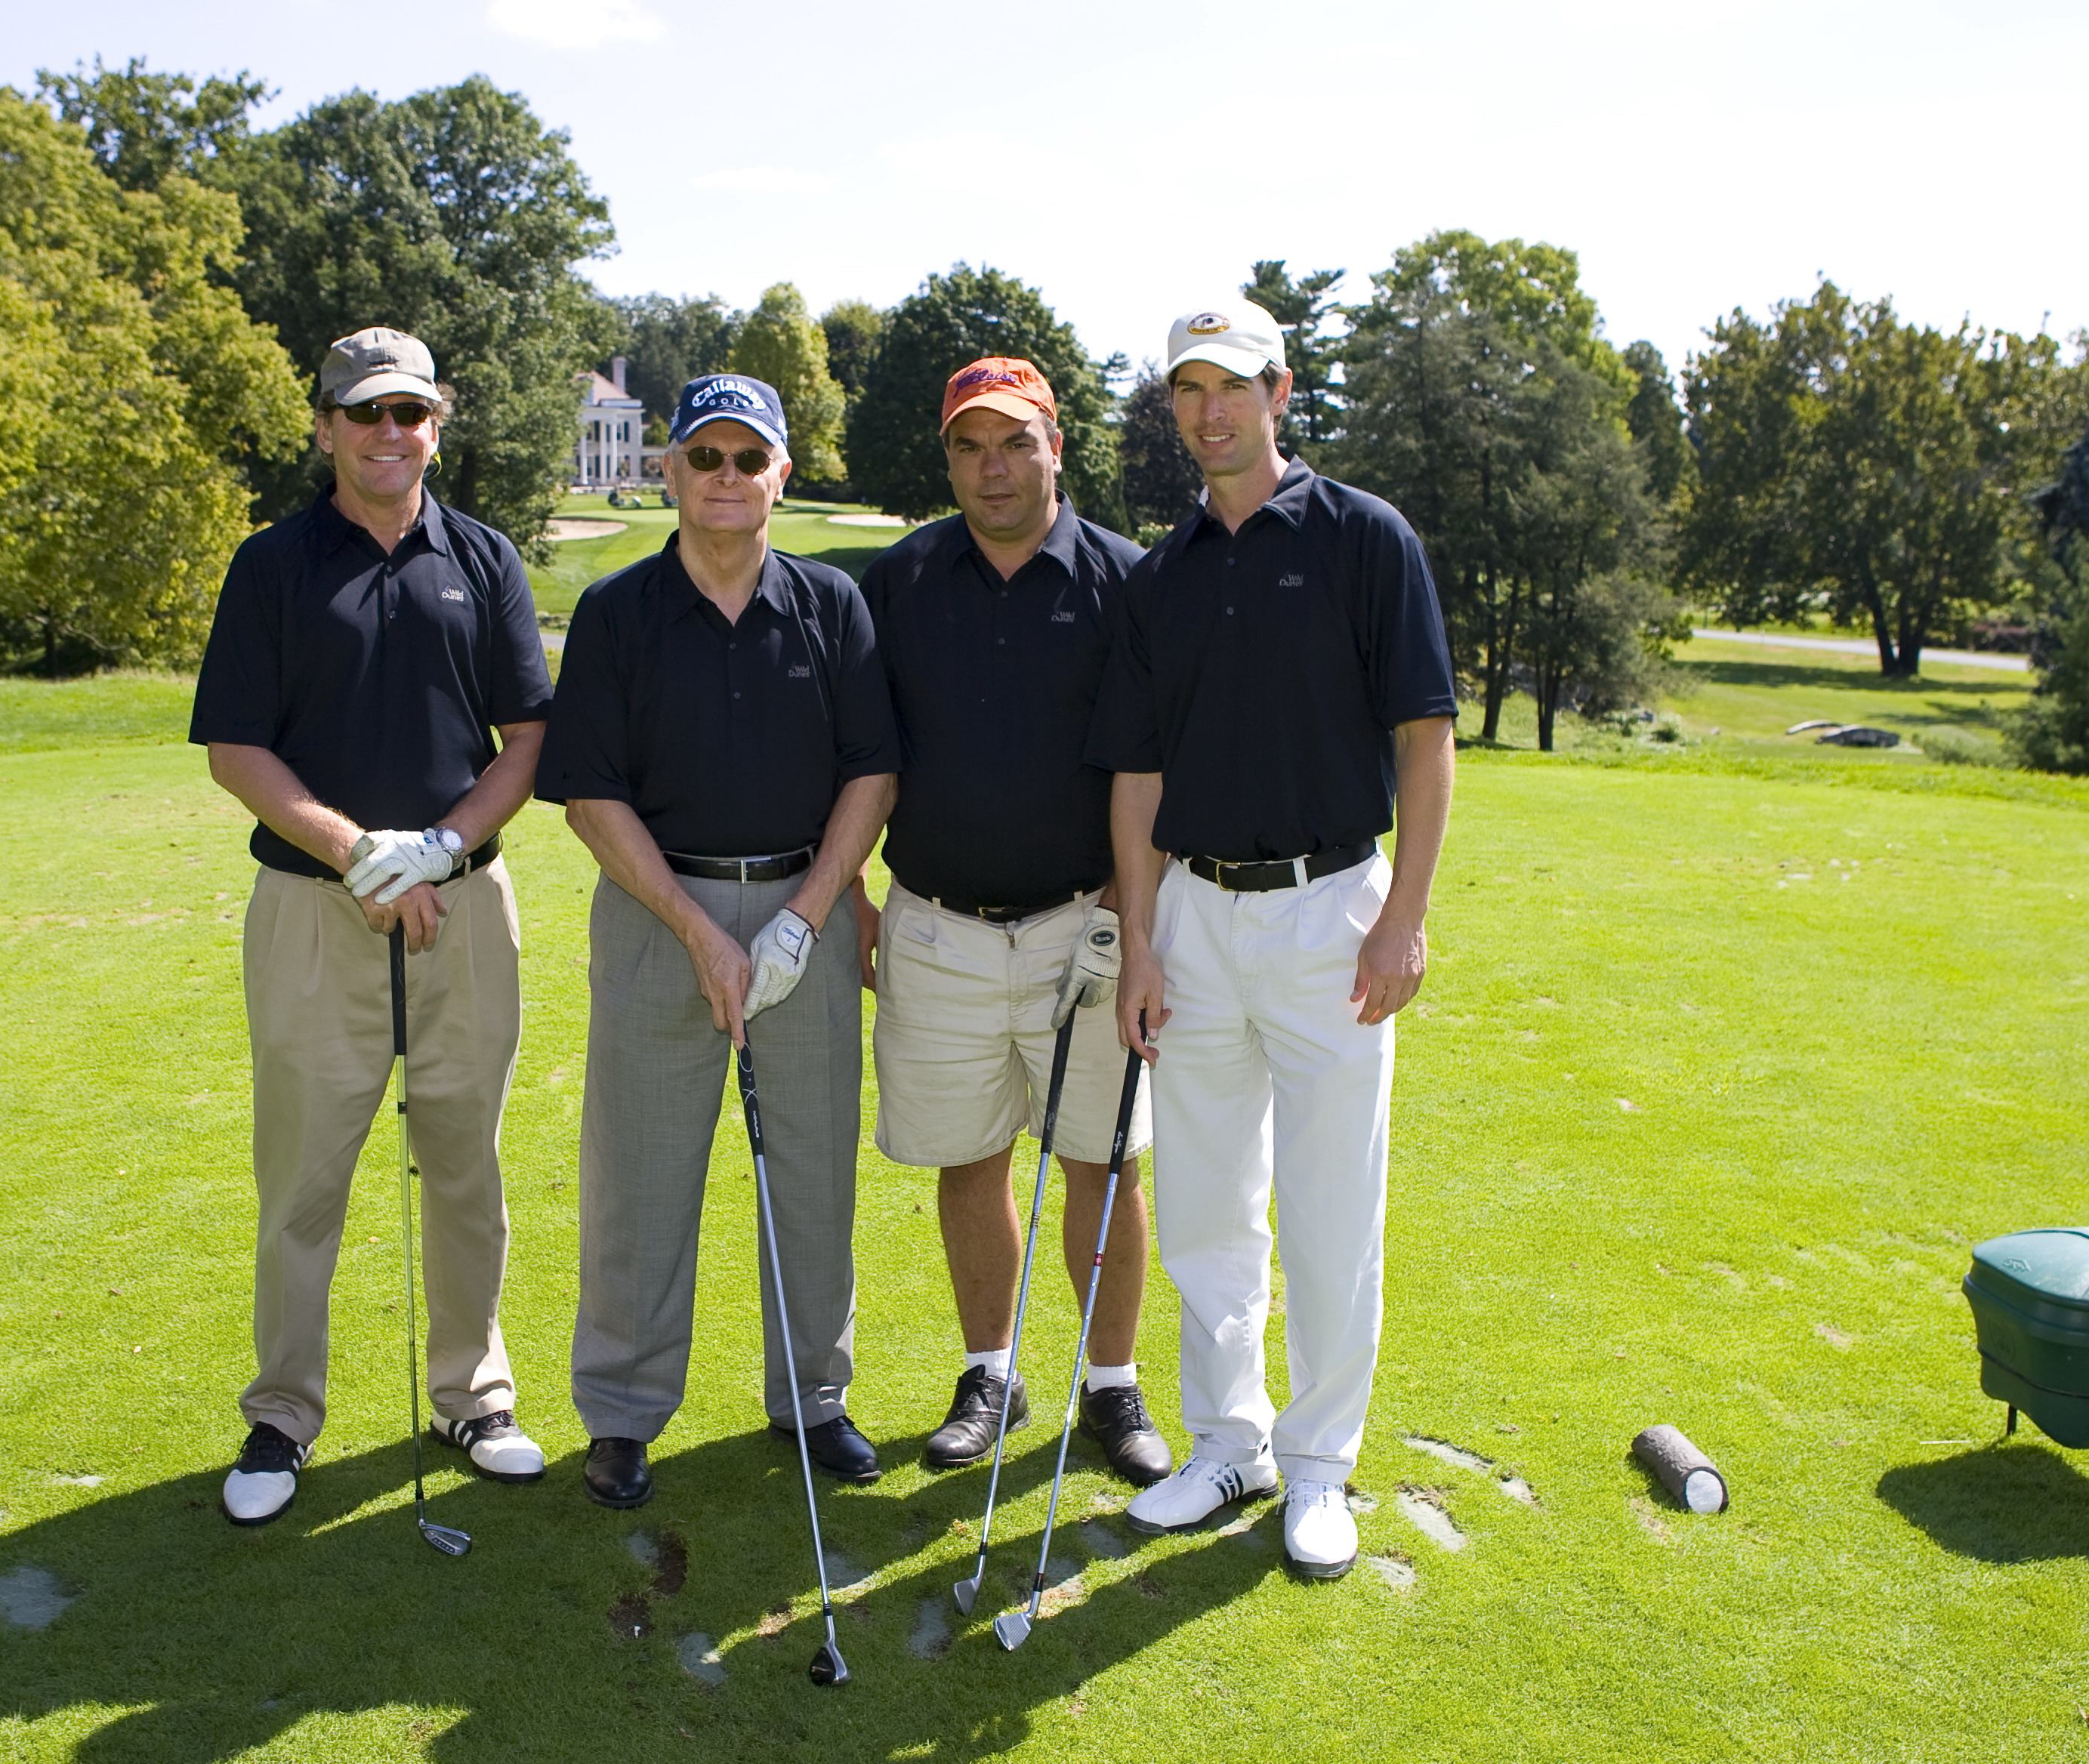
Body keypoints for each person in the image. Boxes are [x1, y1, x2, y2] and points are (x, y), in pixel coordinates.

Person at [1089, 302, 1457, 1578]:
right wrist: (1141, 943)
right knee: (1205, 1202)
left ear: (1279, 392)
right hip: (1193, 913)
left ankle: (1317, 1467)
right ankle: (1228, 1443)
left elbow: (1425, 739)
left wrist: (1404, 919)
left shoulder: (1365, 538)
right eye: (1189, 389)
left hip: (1331, 908)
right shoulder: (1163, 575)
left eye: (1232, 386)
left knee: (1330, 1206)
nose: (1211, 411)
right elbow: (1136, 774)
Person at [190, 325, 555, 1525]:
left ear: (436, 427)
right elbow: (237, 749)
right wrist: (359, 854)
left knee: (466, 1166)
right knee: (303, 1175)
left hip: (466, 906)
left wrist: (441, 847)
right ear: (325, 428)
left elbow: (528, 741)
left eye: (409, 414)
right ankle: (282, 1415)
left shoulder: (484, 559)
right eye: (365, 413)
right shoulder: (273, 564)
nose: (389, 434)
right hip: (314, 908)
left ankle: (473, 1397)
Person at [536, 373, 899, 1510]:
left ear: (781, 474)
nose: (727, 477)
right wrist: (698, 931)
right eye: (706, 457)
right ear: (671, 472)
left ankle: (813, 1398)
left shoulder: (833, 605)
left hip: (806, 910)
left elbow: (872, 773)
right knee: (640, 1177)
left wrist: (807, 914)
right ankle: (623, 1411)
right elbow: (590, 796)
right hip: (659, 915)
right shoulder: (616, 613)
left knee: (814, 1171)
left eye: (749, 459)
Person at [851, 358, 1171, 1485]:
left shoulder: (1128, 581)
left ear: (1055, 447)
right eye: (970, 446)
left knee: (1101, 1163)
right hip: (934, 926)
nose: (993, 468)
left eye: (1015, 442)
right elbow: (857, 757)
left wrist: (1137, 912)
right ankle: (990, 1372)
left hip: (1086, 924)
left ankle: (1111, 1383)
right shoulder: (898, 582)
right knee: (969, 1155)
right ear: (948, 459)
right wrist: (852, 897)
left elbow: (1158, 767)